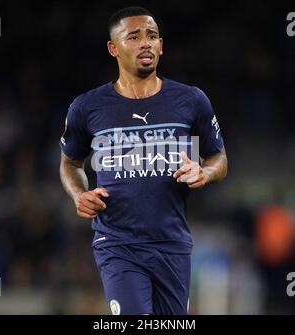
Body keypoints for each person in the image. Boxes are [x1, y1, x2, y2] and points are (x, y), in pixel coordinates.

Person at [59, 6, 227, 315]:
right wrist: (79, 194)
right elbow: (70, 162)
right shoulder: (88, 107)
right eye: (133, 37)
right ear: (114, 48)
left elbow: (218, 157)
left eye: (151, 36)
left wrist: (205, 171)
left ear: (161, 45)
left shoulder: (190, 101)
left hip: (172, 244)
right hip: (118, 243)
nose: (145, 43)